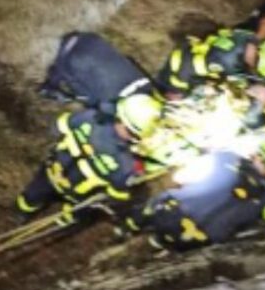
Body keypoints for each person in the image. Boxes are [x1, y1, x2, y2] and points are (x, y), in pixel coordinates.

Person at [124, 117, 265, 252]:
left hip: (169, 215)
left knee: (163, 198)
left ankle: (128, 228)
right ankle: (146, 238)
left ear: (254, 154)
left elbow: (181, 178)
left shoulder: (225, 158)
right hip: (199, 242)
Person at [16, 93, 164, 223]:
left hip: (52, 172)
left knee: (32, 196)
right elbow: (116, 195)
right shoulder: (126, 165)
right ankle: (60, 222)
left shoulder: (90, 118)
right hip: (78, 195)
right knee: (74, 214)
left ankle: (22, 213)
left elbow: (60, 125)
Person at [37, 32, 154, 115]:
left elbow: (130, 61)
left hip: (89, 40)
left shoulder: (148, 87)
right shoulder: (109, 104)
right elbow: (89, 102)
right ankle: (50, 87)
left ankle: (52, 84)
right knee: (86, 97)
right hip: (72, 58)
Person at [153, 27, 259, 95]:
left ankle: (161, 83)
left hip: (189, 53)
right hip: (187, 68)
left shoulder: (243, 38)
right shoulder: (231, 63)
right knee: (178, 85)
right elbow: (237, 83)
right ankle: (163, 88)